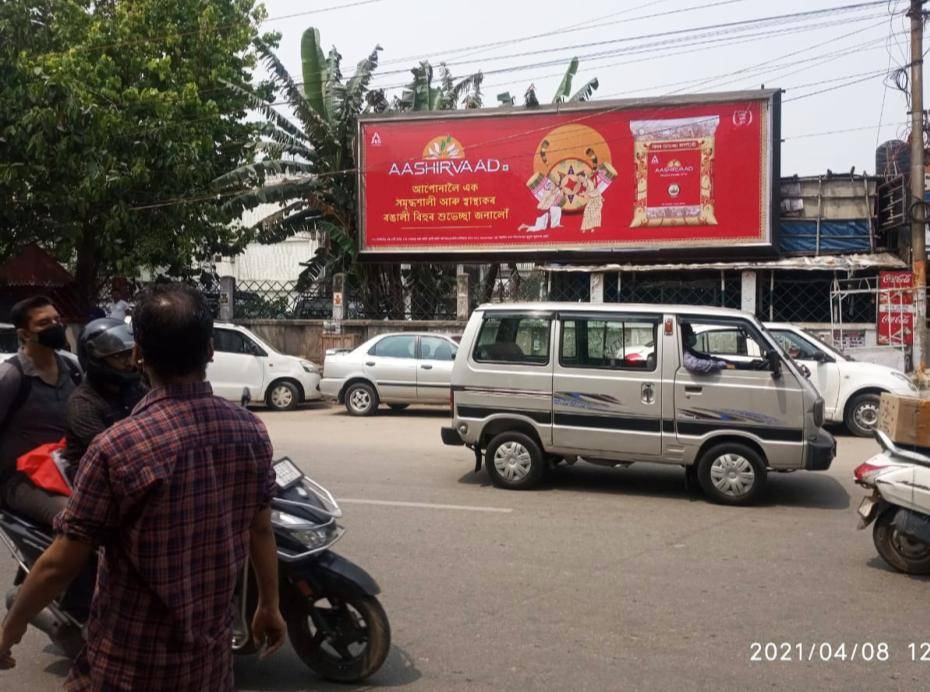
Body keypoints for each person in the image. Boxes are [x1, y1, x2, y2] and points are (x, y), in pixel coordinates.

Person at [0, 283, 286, 688]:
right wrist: (270, 607)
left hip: (129, 664)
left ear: (137, 355)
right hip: (209, 666)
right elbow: (261, 528)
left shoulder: (118, 445)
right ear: (209, 350)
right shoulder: (251, 431)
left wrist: (8, 632)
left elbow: (62, 560)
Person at [0, 296, 81, 526]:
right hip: (22, 478)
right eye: (44, 323)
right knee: (77, 520)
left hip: (68, 466)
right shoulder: (10, 376)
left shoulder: (73, 367)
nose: (56, 326)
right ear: (24, 334)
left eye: (57, 320)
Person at [62, 318, 147, 470]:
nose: (129, 362)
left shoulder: (137, 388)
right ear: (95, 360)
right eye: (118, 356)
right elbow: (114, 457)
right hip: (95, 480)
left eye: (128, 354)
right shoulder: (83, 404)